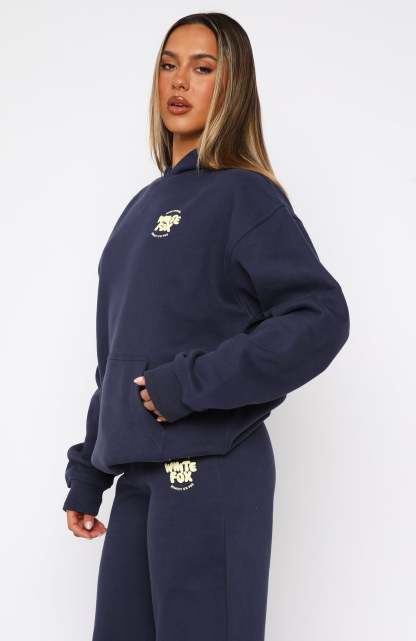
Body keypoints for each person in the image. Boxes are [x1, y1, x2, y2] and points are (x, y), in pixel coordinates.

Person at [62, 12, 350, 641]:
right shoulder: (139, 211)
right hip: (138, 478)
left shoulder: (245, 196)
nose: (179, 82)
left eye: (202, 68)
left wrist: (187, 385)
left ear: (232, 85)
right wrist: (89, 472)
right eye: (169, 65)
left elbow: (320, 317)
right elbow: (116, 358)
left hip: (210, 471)